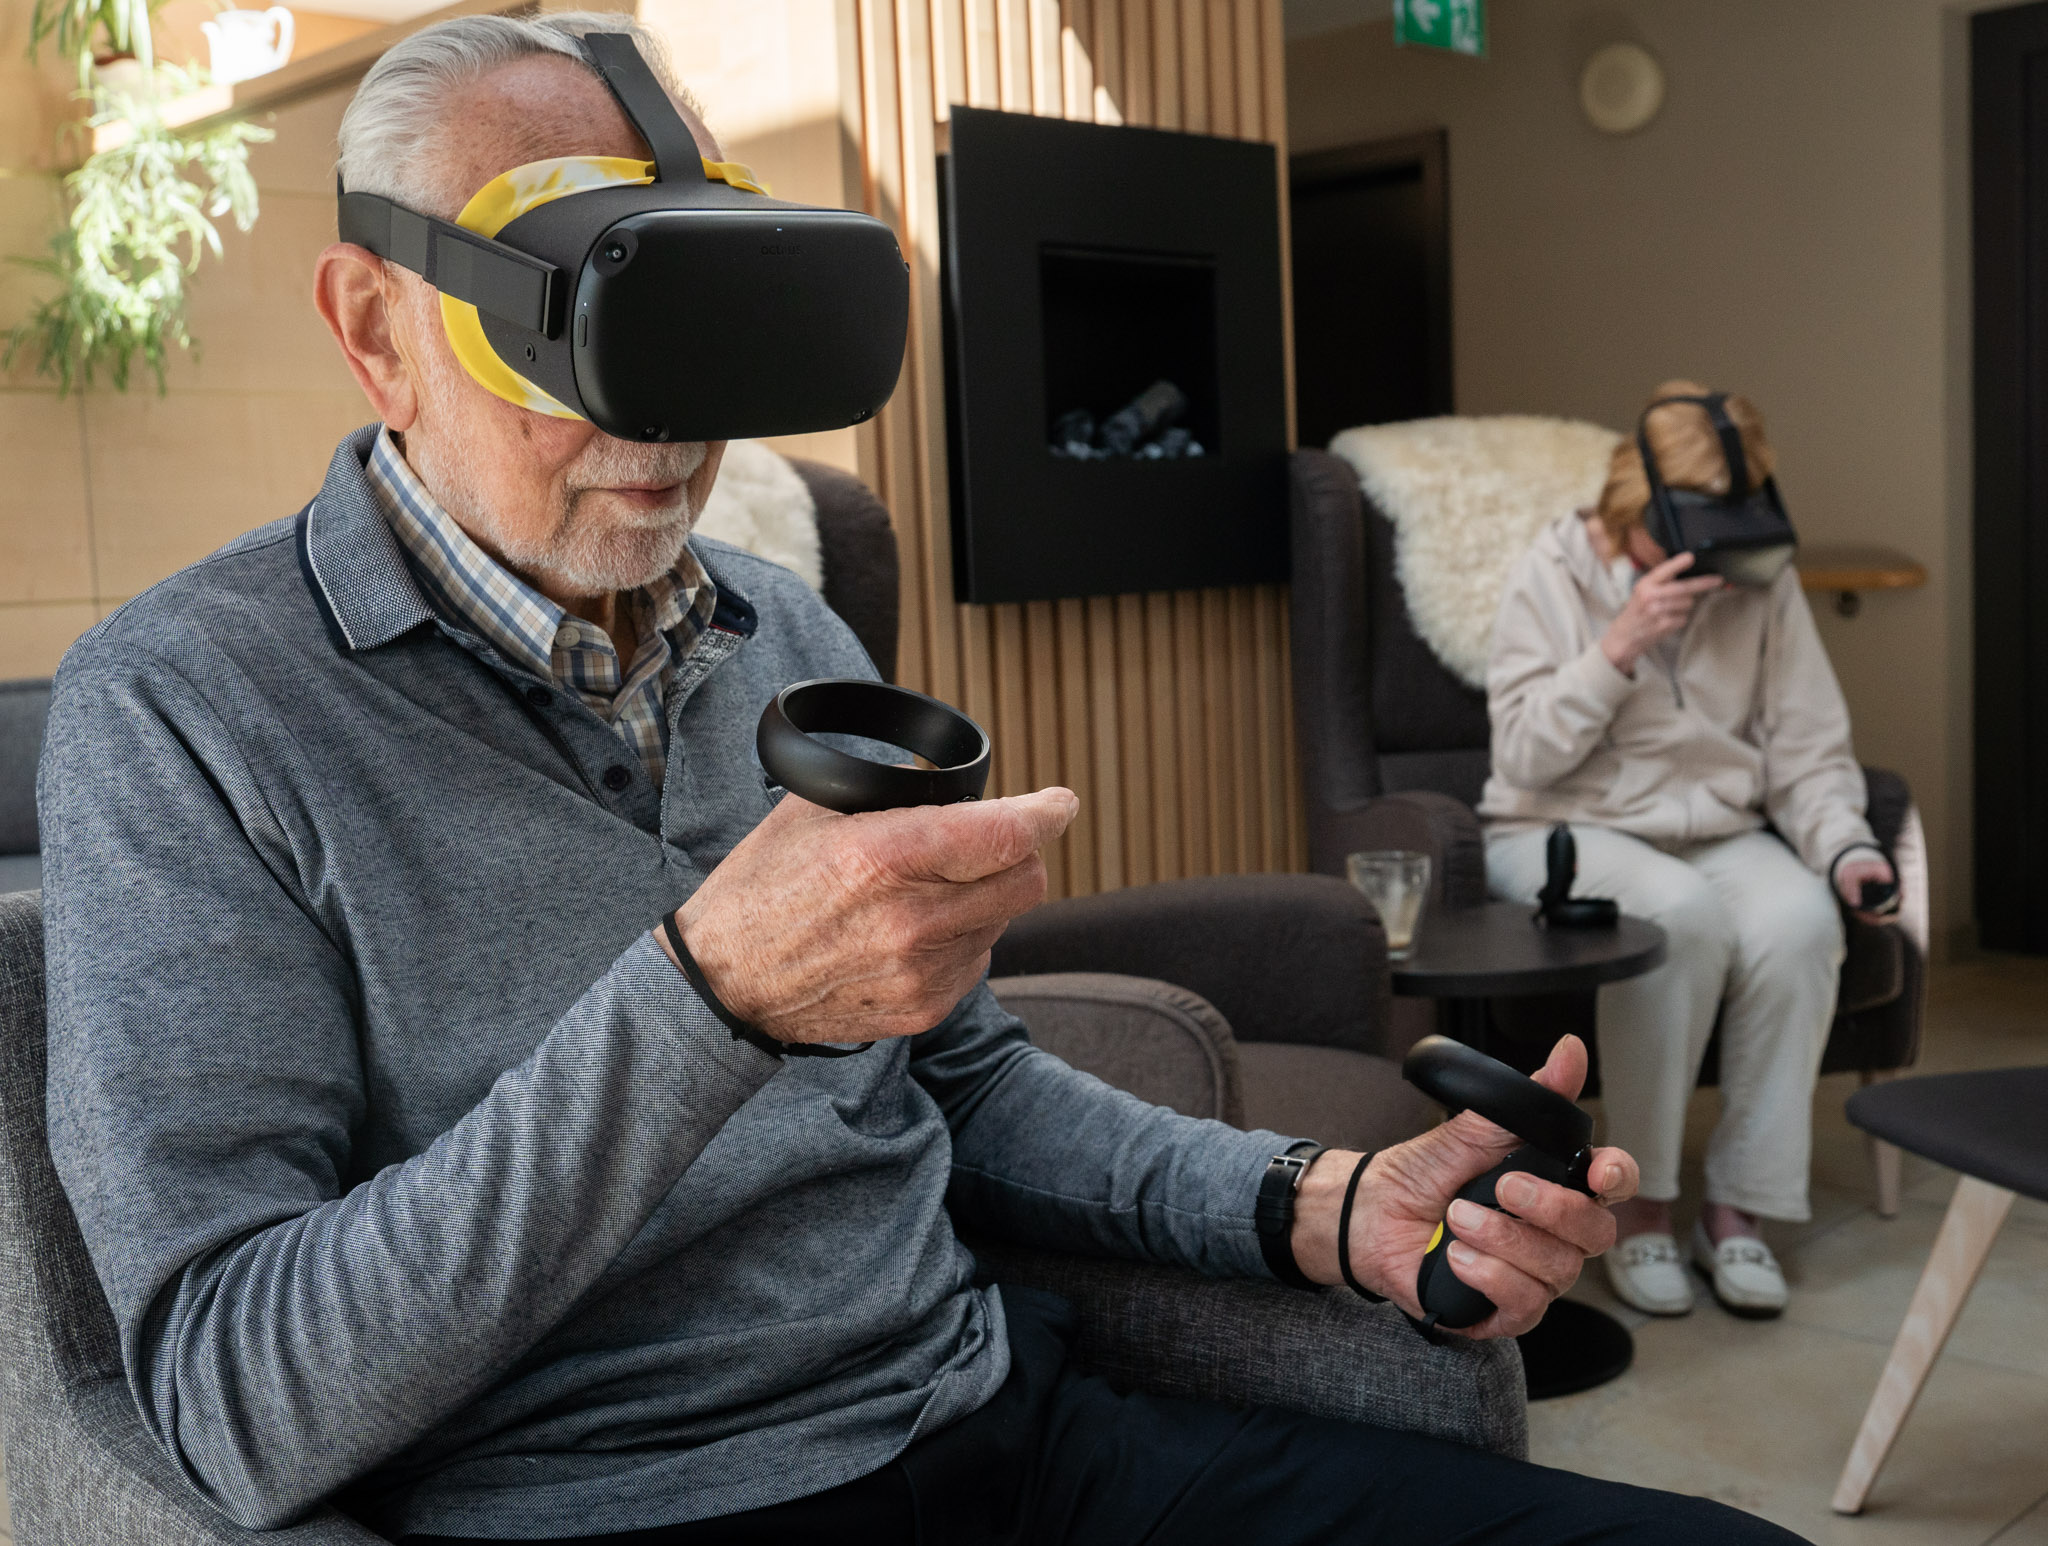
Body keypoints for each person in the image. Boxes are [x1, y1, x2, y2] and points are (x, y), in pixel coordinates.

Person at [35, 21, 1803, 1540]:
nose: (663, 422)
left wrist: (1304, 1203)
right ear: (376, 326)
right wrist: (704, 1000)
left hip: (1004, 1441)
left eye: (704, 309)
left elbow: (964, 1089)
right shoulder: (187, 713)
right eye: (581, 316)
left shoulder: (781, 625)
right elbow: (236, 1398)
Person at [1479, 381, 1897, 1322]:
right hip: (1561, 829)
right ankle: (1643, 1206)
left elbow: (1808, 751)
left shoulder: (1758, 581)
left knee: (1796, 920)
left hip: (1715, 828)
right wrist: (1614, 650)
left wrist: (1846, 849)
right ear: (1636, 508)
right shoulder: (1553, 569)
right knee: (1683, 917)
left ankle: (1737, 1211)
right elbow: (1522, 756)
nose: (1699, 562)